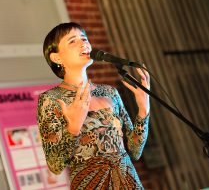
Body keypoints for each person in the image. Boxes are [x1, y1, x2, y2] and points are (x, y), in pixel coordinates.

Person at [37, 22, 151, 189]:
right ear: (56, 58)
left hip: (128, 181)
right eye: (72, 41)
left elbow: (135, 150)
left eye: (84, 38)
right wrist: (74, 128)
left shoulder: (109, 92)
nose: (83, 43)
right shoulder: (51, 99)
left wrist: (143, 109)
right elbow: (55, 165)